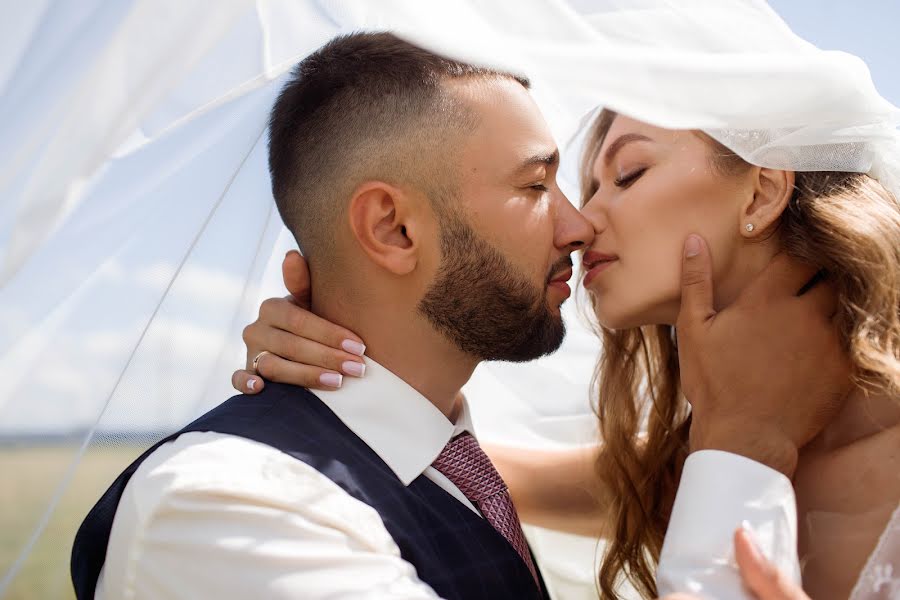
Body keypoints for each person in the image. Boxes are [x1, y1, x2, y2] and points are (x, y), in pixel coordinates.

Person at [69, 31, 849, 600]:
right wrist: (742, 441)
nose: (579, 228)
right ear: (394, 229)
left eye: (627, 175)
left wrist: (354, 389)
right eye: (538, 185)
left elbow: (614, 480)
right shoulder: (224, 503)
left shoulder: (455, 471)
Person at [233, 66, 900, 600]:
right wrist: (346, 366)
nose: (582, 222)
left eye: (629, 174)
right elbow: (468, 473)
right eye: (576, 186)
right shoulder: (688, 461)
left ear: (760, 194)